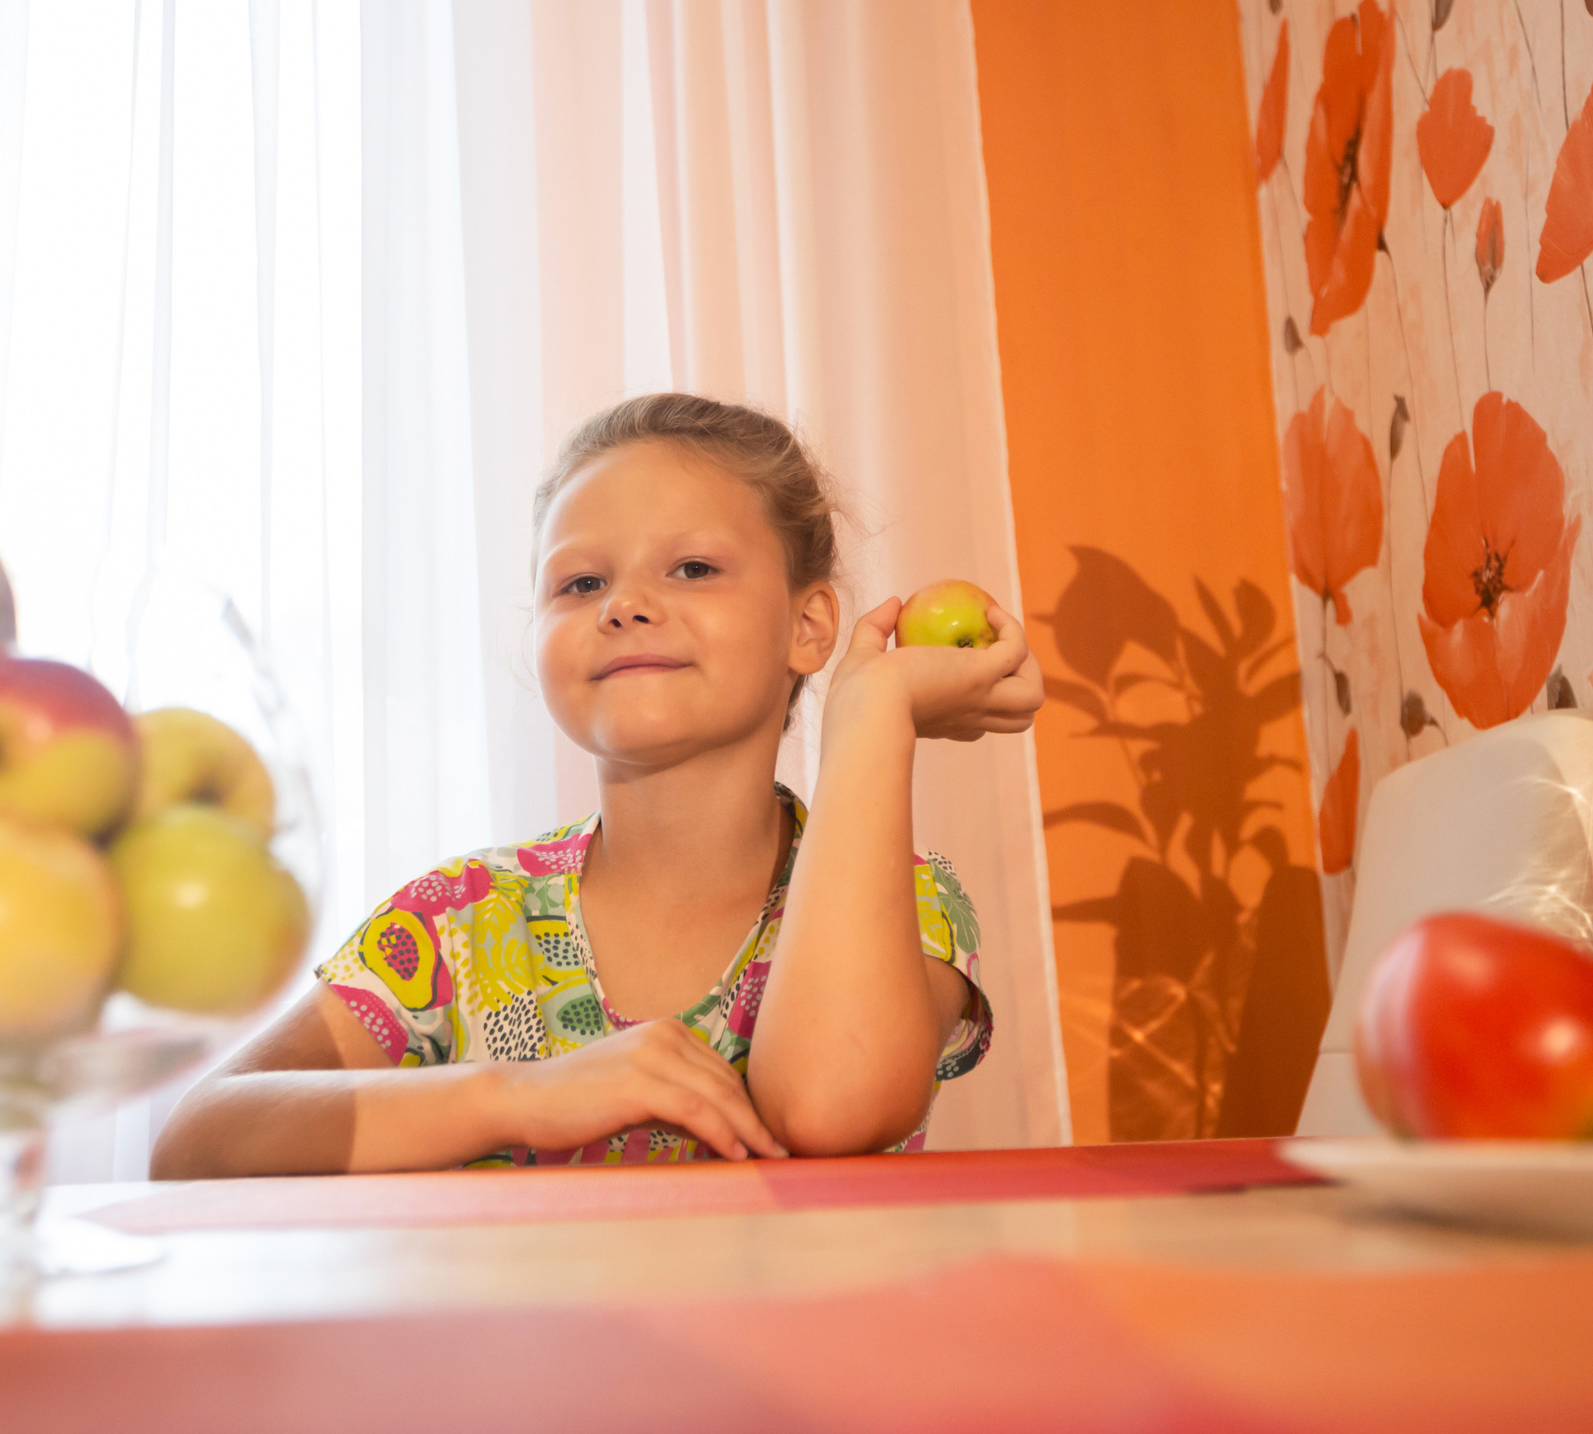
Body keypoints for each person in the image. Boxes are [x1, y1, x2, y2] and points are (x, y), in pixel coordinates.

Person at [151, 392, 1043, 1174]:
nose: (623, 603)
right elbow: (194, 1140)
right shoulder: (459, 922)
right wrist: (514, 1096)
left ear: (810, 626)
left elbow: (827, 1107)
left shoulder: (910, 902)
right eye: (580, 582)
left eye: (692, 567)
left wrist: (872, 712)